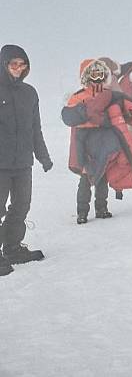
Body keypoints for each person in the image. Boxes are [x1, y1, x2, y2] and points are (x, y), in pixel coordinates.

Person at [62, 59, 132, 224]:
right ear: (87, 76)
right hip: (86, 142)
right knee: (87, 177)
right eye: (93, 73)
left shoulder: (112, 95)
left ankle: (102, 208)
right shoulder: (78, 96)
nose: (97, 77)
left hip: (106, 141)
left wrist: (128, 114)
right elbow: (69, 117)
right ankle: (82, 212)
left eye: (100, 73)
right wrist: (88, 113)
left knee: (102, 176)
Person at [0, 45, 52, 274]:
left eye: (23, 65)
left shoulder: (29, 93)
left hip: (22, 163)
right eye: (14, 64)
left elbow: (35, 129)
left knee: (21, 206)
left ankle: (12, 248)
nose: (18, 69)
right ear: (4, 65)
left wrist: (43, 156)